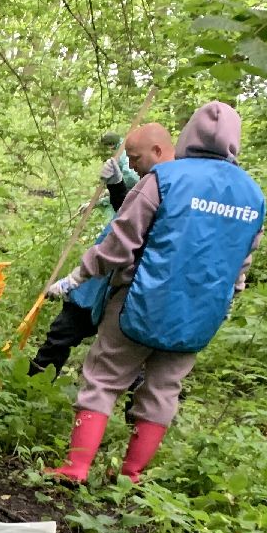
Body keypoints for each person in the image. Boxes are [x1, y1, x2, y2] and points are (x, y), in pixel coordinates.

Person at [44, 102, 264, 484]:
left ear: (189, 134)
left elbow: (120, 244)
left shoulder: (164, 179)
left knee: (103, 378)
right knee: (163, 390)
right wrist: (230, 295)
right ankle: (131, 476)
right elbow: (240, 263)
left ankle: (76, 467)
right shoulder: (252, 196)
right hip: (199, 314)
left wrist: (79, 276)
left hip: (140, 302)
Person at [28, 128, 170, 376]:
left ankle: (132, 410)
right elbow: (129, 213)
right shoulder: (148, 180)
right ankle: (32, 387)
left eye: (136, 159)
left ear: (157, 151)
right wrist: (116, 188)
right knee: (61, 333)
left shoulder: (175, 186)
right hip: (98, 280)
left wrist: (74, 279)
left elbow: (141, 232)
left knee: (124, 360)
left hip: (131, 286)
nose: (133, 165)